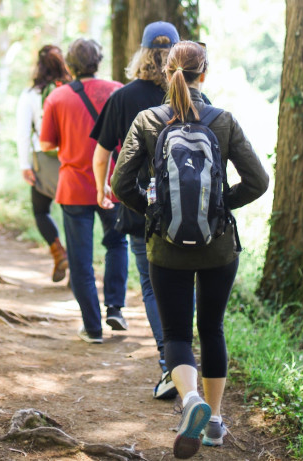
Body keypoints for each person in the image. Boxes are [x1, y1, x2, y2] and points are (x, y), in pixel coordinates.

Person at [111, 41, 269, 458]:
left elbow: (120, 185)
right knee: (212, 328)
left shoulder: (148, 120)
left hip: (166, 248)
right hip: (218, 249)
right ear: (205, 74)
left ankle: (191, 400)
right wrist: (219, 207)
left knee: (178, 332)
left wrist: (155, 213)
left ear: (166, 73)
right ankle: (214, 422)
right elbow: (258, 181)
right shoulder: (223, 120)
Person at [91, 22, 208, 400]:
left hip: (144, 209)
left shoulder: (123, 97)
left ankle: (169, 366)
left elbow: (102, 155)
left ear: (141, 53)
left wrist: (102, 190)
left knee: (154, 289)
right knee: (187, 283)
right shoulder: (198, 99)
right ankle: (184, 363)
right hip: (196, 211)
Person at [40, 38, 128, 344]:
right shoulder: (117, 90)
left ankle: (92, 327)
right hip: (113, 184)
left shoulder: (57, 97)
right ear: (99, 61)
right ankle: (115, 307)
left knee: (80, 259)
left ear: (70, 65)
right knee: (117, 244)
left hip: (75, 187)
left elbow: (46, 144)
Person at [16, 45, 72, 282]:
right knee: (74, 216)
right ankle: (77, 270)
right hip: (72, 161)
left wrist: (25, 165)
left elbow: (22, 132)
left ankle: (58, 251)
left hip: (43, 161)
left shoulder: (31, 95)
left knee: (41, 211)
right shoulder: (73, 90)